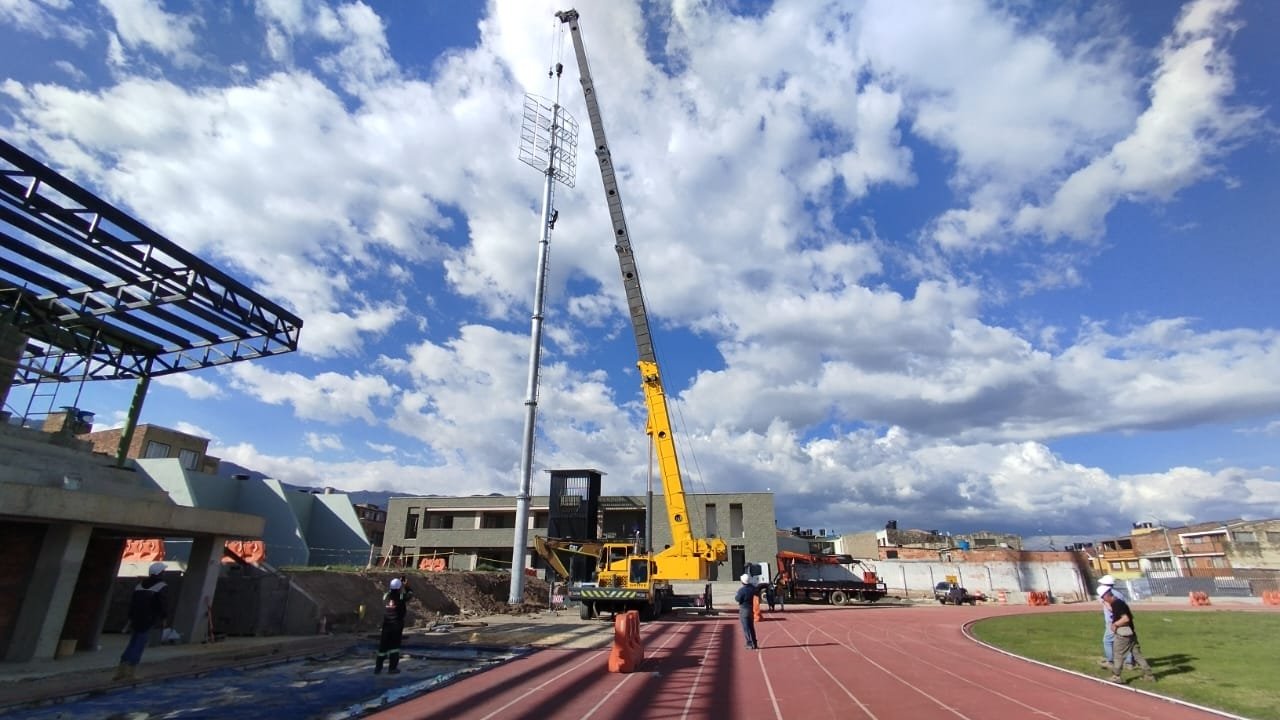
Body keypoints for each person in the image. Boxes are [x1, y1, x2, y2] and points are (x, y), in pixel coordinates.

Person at [114, 561, 169, 681]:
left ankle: (121, 671)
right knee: (139, 644)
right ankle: (130, 672)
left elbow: (133, 603)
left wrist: (130, 618)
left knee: (133, 642)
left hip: (136, 618)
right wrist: (164, 617)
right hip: (148, 618)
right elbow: (162, 604)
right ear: (160, 573)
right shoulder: (161, 586)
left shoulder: (140, 585)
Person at [1099, 585, 1156, 684]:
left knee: (1118, 654)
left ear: (1106, 596)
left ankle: (1116, 676)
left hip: (1123, 633)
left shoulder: (1117, 604)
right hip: (1131, 633)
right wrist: (1105, 604)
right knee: (1137, 655)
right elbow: (1120, 613)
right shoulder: (1118, 603)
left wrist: (1115, 624)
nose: (1103, 600)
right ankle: (1149, 675)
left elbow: (1125, 618)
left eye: (1103, 598)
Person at [375, 576, 412, 674]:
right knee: (394, 647)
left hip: (386, 624)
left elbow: (391, 592)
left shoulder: (386, 596)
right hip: (396, 625)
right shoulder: (400, 596)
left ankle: (378, 668)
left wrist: (398, 585)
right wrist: (407, 586)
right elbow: (409, 594)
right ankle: (392, 668)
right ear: (399, 588)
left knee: (383, 647)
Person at [1096, 575, 1135, 668]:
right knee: (1126, 641)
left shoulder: (1108, 595)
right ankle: (1129, 662)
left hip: (1114, 621)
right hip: (1121, 621)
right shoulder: (1119, 594)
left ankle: (1110, 661)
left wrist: (1104, 602)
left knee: (1107, 641)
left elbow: (1112, 609)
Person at [734, 573, 759, 650]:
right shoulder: (752, 588)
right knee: (751, 627)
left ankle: (749, 643)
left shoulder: (742, 590)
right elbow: (756, 591)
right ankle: (754, 642)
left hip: (744, 609)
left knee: (746, 627)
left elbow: (737, 599)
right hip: (750, 608)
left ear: (742, 581)